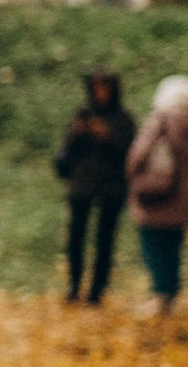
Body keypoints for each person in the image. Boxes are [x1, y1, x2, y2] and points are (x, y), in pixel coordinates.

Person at [127, 74, 188, 314]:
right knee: (173, 250)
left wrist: (135, 172)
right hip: (183, 201)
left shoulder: (159, 122)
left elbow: (137, 157)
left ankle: (160, 297)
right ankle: (170, 296)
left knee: (152, 248)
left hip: (154, 198)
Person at [54, 71, 133, 305]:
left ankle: (97, 290)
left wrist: (108, 135)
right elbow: (67, 152)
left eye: (104, 88)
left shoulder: (122, 118)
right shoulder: (82, 114)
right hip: (82, 185)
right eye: (96, 88)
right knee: (76, 236)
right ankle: (74, 285)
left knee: (104, 239)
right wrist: (79, 133)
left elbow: (130, 152)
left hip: (112, 186)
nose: (100, 93)